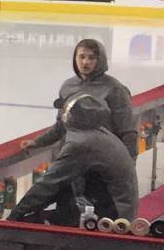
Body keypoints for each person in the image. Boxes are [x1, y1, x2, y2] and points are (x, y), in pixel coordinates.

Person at [10, 94, 135, 227]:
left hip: (110, 216)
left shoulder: (81, 143)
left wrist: (15, 215)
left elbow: (49, 183)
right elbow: (59, 183)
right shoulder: (98, 133)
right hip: (115, 205)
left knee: (34, 221)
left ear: (70, 117)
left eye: (63, 112)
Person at [33, 38, 136, 156]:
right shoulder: (68, 87)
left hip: (104, 157)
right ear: (75, 58)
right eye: (81, 57)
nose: (85, 62)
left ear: (100, 60)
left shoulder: (114, 89)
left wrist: (129, 164)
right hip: (75, 156)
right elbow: (62, 125)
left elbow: (128, 132)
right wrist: (37, 142)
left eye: (91, 58)